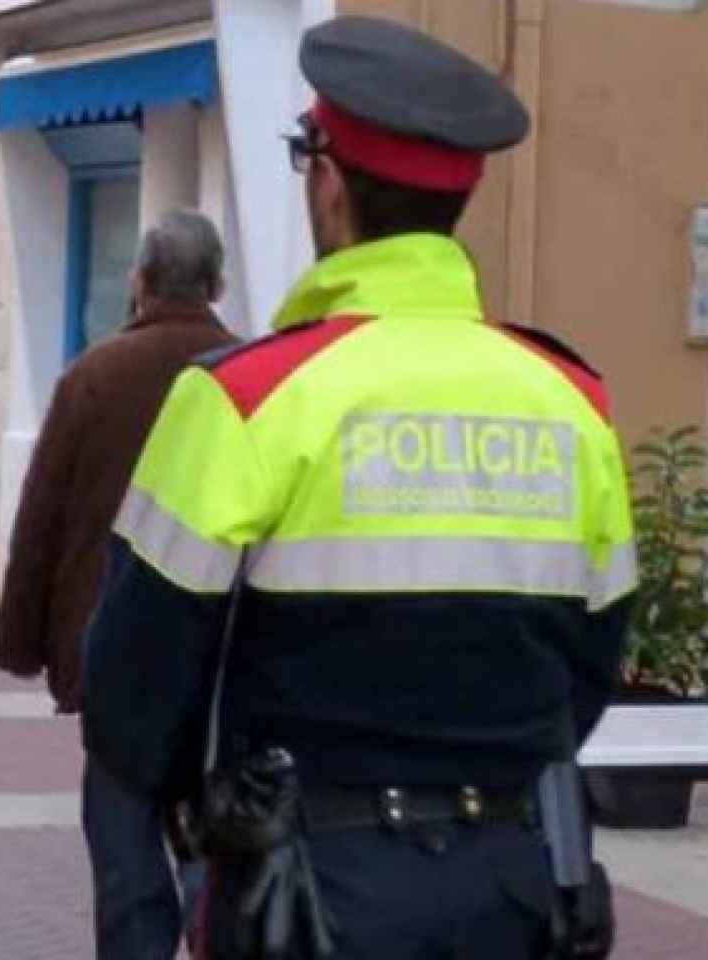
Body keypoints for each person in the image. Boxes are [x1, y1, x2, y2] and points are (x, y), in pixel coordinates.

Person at [81, 16, 634, 959]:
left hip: (305, 896)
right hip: (514, 890)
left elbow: (133, 702)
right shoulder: (573, 405)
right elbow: (588, 667)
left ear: (328, 182)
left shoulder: (244, 399)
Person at [0, 210, 235, 960]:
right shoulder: (251, 379)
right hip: (222, 654)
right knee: (217, 842)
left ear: (138, 282)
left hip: (112, 650)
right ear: (218, 285)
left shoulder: (93, 376)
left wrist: (26, 645)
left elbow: (42, 520)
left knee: (126, 854)